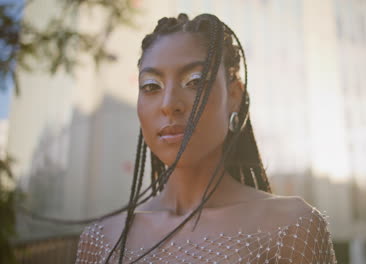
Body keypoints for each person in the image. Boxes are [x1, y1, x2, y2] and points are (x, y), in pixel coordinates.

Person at [75, 13, 337, 264]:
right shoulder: (103, 240)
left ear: (234, 95)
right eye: (151, 86)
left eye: (194, 81)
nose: (169, 105)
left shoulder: (290, 226)